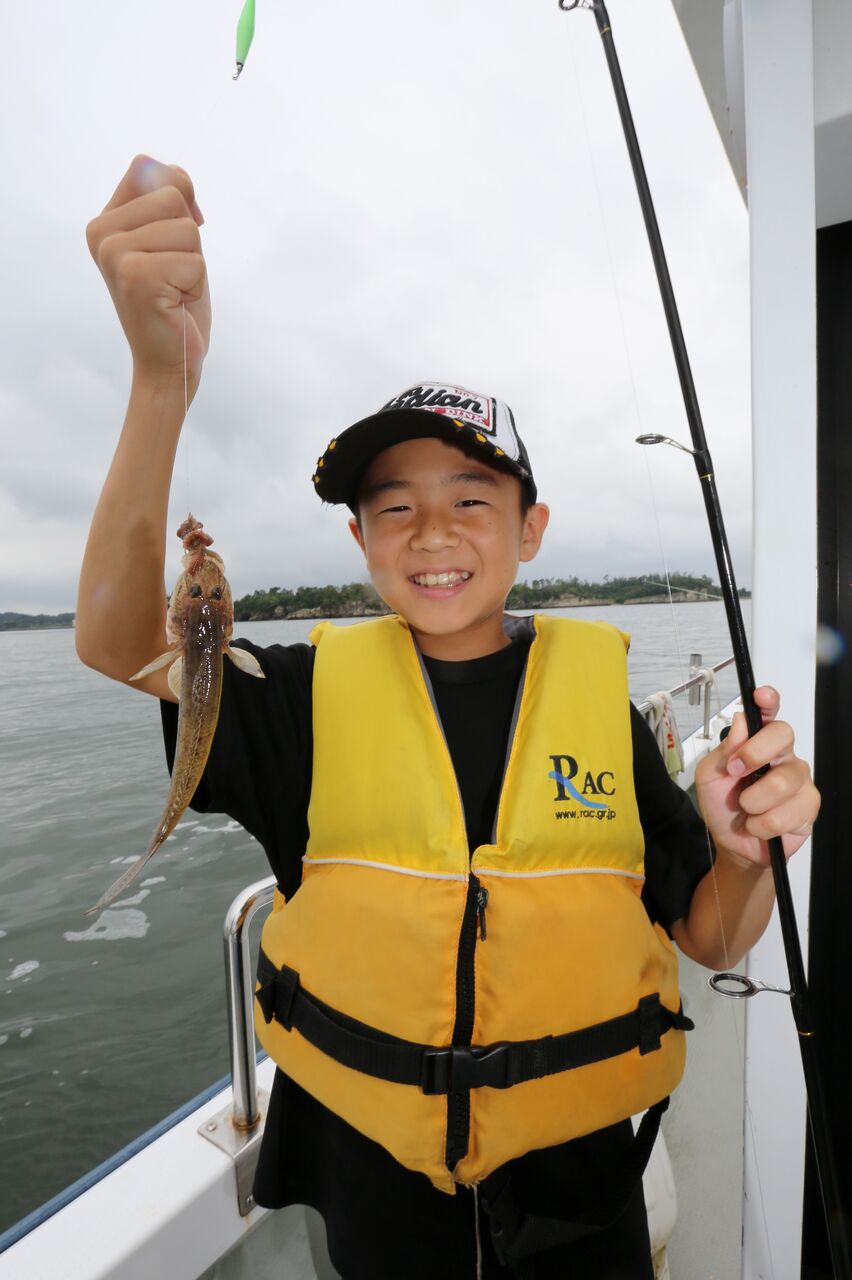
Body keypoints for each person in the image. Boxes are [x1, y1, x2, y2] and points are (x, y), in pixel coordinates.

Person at [77, 156, 821, 1280]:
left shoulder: (602, 716)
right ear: (360, 543)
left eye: (471, 499)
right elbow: (116, 639)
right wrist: (158, 380)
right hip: (378, 1207)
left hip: (584, 1205)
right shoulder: (296, 697)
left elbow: (712, 935)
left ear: (532, 528)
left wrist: (741, 853)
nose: (431, 533)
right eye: (394, 507)